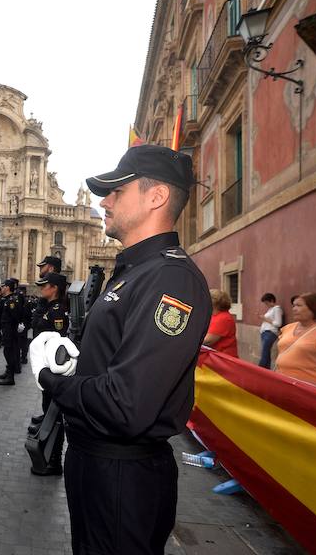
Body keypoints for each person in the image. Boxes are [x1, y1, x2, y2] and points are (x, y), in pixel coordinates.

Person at [31, 144, 211, 554]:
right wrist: (76, 360)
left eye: (117, 191)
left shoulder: (170, 279)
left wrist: (50, 378)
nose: (104, 201)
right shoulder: (136, 271)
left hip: (123, 475)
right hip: (96, 464)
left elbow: (127, 404)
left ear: (156, 197)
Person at [28, 272, 70, 476]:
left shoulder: (58, 310)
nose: (41, 288)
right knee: (49, 412)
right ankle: (49, 456)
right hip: (47, 369)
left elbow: (59, 343)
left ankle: (54, 461)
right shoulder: (48, 307)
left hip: (53, 370)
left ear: (54, 288)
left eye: (45, 285)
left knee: (54, 415)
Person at [275, 293, 316, 387]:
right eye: (293, 306)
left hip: (309, 387)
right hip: (282, 383)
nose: (294, 309)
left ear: (314, 308)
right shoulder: (288, 328)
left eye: (299, 305)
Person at [0, 278, 22, 385]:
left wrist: (14, 328)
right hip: (7, 329)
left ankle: (10, 376)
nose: (1, 289)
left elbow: (15, 316)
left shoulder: (11, 300)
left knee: (9, 352)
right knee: (7, 351)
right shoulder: (7, 299)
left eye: (3, 287)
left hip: (10, 330)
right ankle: (8, 372)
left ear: (7, 288)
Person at [203, 289, 238, 357]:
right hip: (216, 357)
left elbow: (208, 340)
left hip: (223, 358)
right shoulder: (215, 316)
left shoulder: (223, 318)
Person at [258, 293, 283, 368]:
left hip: (270, 333)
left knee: (264, 353)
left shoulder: (277, 309)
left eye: (267, 303)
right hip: (264, 333)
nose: (266, 305)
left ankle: (259, 369)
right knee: (266, 353)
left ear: (272, 300)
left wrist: (265, 319)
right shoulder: (270, 310)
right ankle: (266, 371)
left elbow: (278, 323)